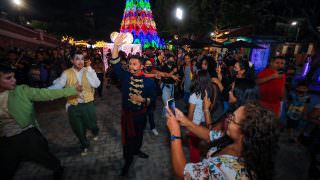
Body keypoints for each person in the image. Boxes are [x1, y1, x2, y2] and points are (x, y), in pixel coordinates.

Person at [0, 63, 82, 180]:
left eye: (13, 76)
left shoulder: (21, 91)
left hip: (26, 134)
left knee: (43, 156)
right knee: (6, 168)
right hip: (4, 139)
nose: (14, 80)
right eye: (8, 78)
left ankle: (58, 168)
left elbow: (45, 94)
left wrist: (71, 90)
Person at [166, 101, 278, 180]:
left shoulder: (228, 170)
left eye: (233, 119)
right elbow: (209, 135)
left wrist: (175, 133)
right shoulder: (233, 140)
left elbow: (181, 173)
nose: (228, 119)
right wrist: (185, 121)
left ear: (244, 133)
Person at [110, 34, 156, 176]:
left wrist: (142, 100)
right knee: (128, 141)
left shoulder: (149, 82)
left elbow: (152, 100)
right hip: (128, 115)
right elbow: (115, 63)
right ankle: (127, 162)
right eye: (130, 64)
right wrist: (116, 46)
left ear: (142, 66)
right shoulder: (125, 76)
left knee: (139, 135)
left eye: (134, 64)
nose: (131, 66)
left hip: (141, 115)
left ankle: (137, 150)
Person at [49, 49, 101, 156]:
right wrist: (46, 92)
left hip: (88, 104)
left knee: (92, 124)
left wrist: (90, 70)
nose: (80, 61)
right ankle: (84, 144)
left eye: (82, 59)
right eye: (77, 59)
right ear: (72, 61)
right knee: (78, 128)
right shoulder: (66, 73)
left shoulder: (88, 71)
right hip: (73, 105)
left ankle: (95, 131)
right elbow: (59, 85)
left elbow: (96, 84)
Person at [187, 70, 214, 163]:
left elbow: (190, 113)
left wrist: (188, 126)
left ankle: (195, 168)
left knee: (194, 148)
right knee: (201, 145)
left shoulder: (194, 95)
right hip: (204, 123)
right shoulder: (208, 93)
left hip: (195, 124)